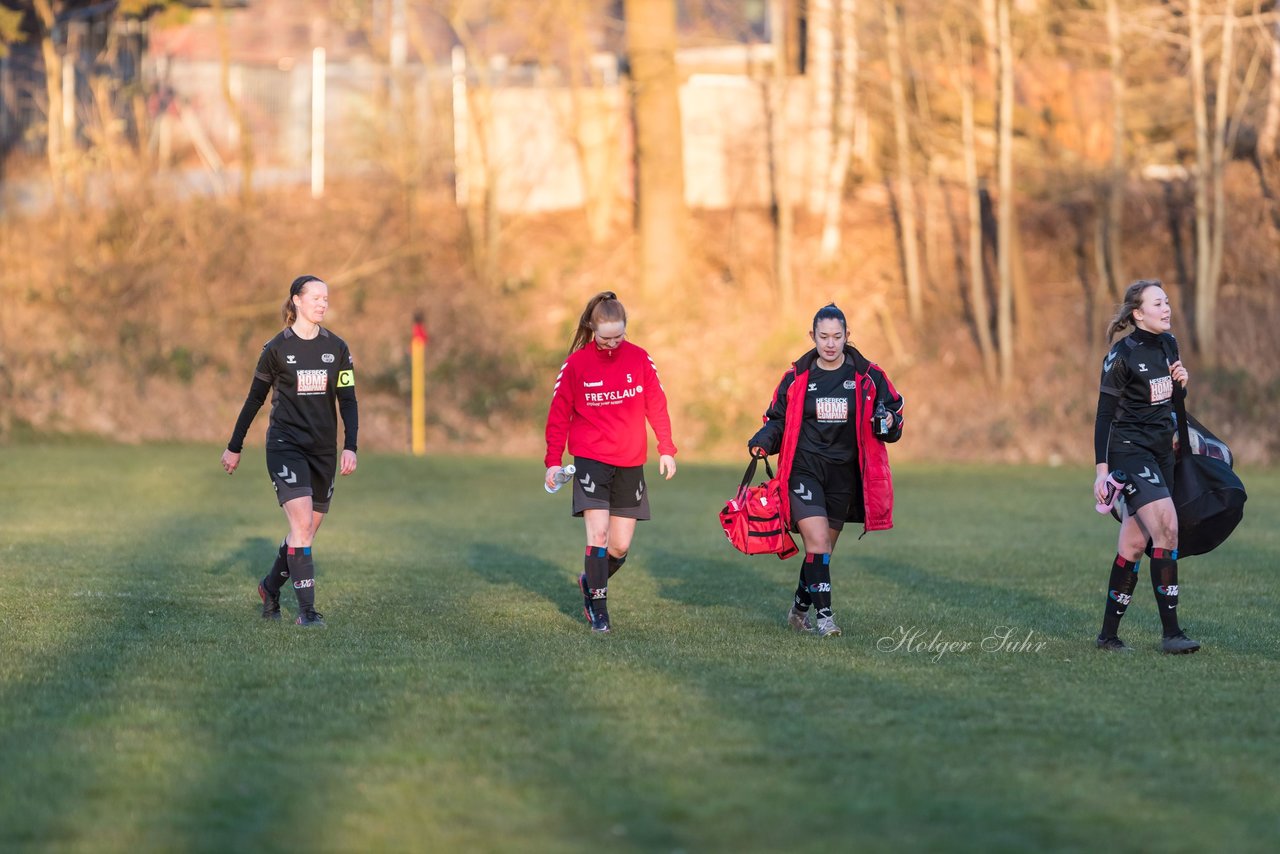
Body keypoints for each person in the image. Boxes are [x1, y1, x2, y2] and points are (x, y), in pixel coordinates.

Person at [749, 304, 904, 638]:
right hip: (804, 470)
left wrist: (889, 421)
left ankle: (798, 610)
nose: (830, 343)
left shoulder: (868, 376)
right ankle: (825, 619)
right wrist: (762, 440)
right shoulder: (796, 377)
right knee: (817, 543)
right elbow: (777, 418)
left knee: (822, 552)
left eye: (837, 336)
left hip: (844, 476)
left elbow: (894, 410)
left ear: (848, 336)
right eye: (823, 337)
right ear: (812, 337)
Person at [221, 275, 359, 628]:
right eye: (316, 297)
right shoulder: (276, 349)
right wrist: (234, 447)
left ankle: (270, 588)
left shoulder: (339, 349)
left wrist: (351, 446)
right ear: (296, 300)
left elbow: (348, 400)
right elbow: (254, 400)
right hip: (286, 446)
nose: (323, 303)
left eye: (326, 298)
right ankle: (308, 613)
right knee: (300, 525)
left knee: (306, 533)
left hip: (324, 452)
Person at [544, 292, 677, 633]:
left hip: (630, 462)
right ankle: (599, 609)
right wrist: (552, 460)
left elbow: (656, 404)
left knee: (619, 545)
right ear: (591, 328)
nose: (613, 343)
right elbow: (558, 415)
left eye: (619, 336)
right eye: (606, 337)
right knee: (599, 535)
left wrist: (666, 447)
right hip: (590, 460)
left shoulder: (640, 359)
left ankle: (590, 580)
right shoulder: (576, 365)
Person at [1093, 279, 1199, 654]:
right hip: (1129, 451)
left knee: (1135, 543)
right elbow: (1105, 415)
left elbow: (1171, 400)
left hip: (1160, 453)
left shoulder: (1169, 344)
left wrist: (1182, 386)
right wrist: (1102, 471)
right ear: (1138, 313)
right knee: (1167, 528)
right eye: (1158, 303)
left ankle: (1107, 637)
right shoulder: (1121, 355)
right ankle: (1172, 634)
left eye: (1167, 301)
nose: (1167, 308)